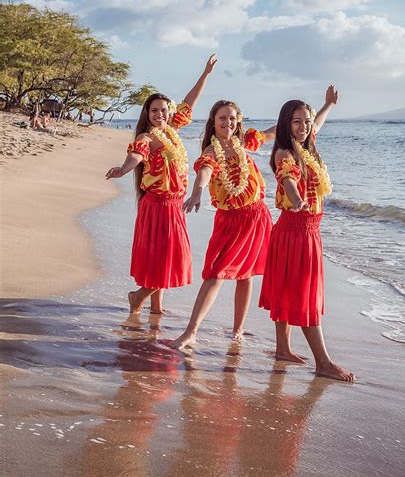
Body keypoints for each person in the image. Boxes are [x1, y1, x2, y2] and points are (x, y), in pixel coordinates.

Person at [105, 55, 217, 315]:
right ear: (148, 113)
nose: (159, 114)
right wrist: (123, 169)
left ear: (169, 112)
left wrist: (205, 74)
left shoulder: (173, 129)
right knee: (169, 259)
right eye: (154, 110)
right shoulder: (147, 137)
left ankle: (156, 306)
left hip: (174, 205)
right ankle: (139, 296)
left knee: (163, 259)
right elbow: (137, 155)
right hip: (157, 205)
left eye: (164, 110)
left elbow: (189, 102)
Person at [259, 86, 355, 382]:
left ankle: (282, 349)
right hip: (295, 230)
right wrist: (297, 199)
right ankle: (323, 362)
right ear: (286, 124)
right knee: (304, 296)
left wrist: (327, 106)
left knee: (289, 290)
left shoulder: (308, 144)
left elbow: (319, 123)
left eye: (306, 121)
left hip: (308, 231)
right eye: (297, 122)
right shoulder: (285, 153)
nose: (304, 127)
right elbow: (287, 177)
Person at [170, 100, 276, 349]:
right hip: (230, 221)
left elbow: (274, 132)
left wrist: (305, 117)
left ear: (238, 121)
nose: (228, 123)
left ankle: (238, 329)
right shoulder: (211, 152)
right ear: (213, 122)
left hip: (257, 216)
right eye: (222, 118)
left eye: (232, 118)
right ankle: (191, 331)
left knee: (246, 275)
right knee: (215, 274)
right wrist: (197, 192)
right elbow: (204, 172)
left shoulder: (245, 142)